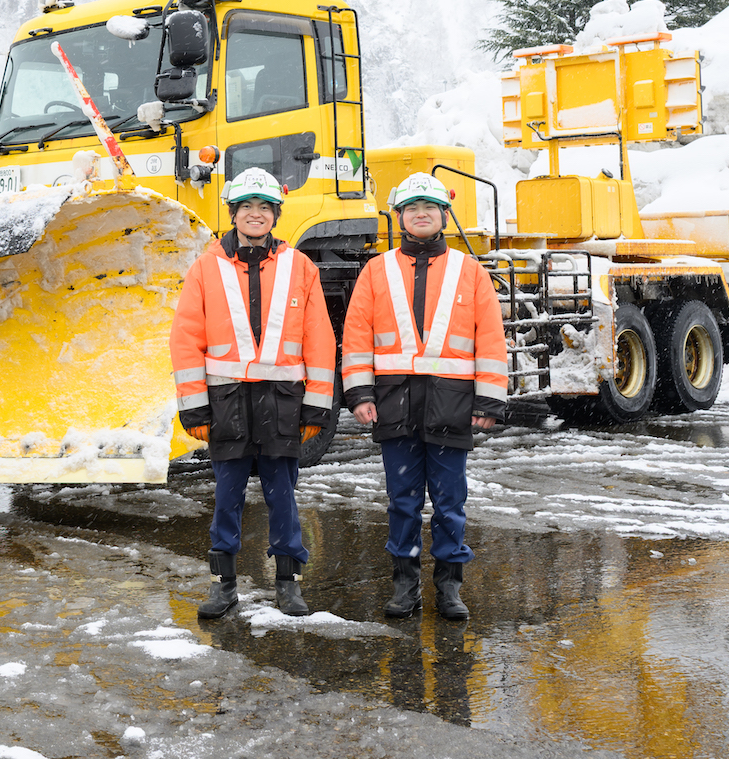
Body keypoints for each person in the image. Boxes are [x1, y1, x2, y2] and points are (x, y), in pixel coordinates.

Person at [170, 167, 337, 619]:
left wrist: (317, 408)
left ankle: (288, 583)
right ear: (234, 214)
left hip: (283, 405)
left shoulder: (300, 267)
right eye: (247, 207)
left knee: (283, 496)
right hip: (226, 407)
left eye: (265, 208)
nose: (256, 215)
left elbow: (320, 340)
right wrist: (194, 410)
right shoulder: (205, 268)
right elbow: (186, 341)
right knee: (227, 499)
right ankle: (222, 586)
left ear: (276, 215)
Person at [340, 173, 507, 620]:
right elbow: (356, 336)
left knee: (450, 501)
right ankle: (405, 586)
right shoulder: (376, 270)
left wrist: (488, 401)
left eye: (428, 208)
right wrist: (358, 393)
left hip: (452, 404)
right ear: (399, 217)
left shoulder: (470, 271)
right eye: (411, 208)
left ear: (443, 216)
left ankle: (449, 588)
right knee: (403, 500)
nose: (420, 214)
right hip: (394, 403)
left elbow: (490, 339)